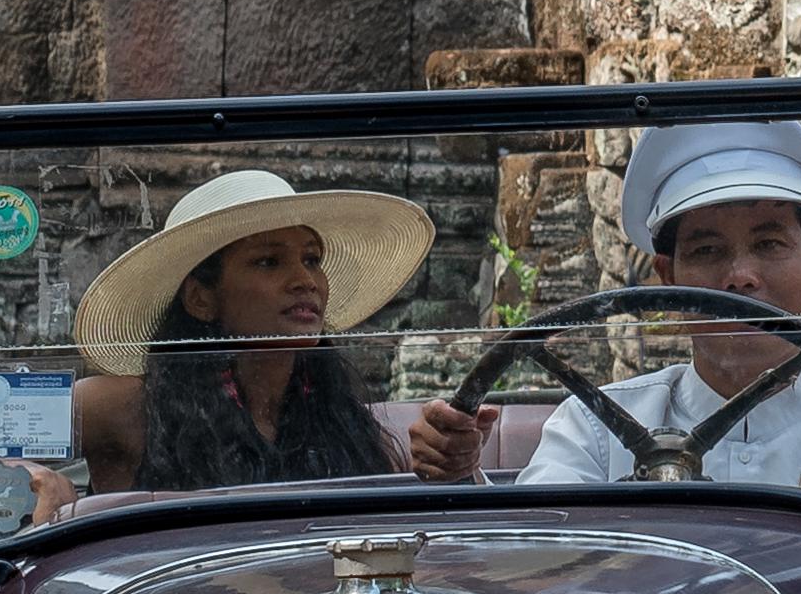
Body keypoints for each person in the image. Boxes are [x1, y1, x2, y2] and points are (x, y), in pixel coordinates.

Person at [513, 116, 801, 501]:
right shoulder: (590, 429)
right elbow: (533, 551)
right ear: (668, 280)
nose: (739, 276)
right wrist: (458, 474)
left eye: (768, 245)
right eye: (707, 250)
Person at [70, 168, 496, 493]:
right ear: (201, 298)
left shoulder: (345, 426)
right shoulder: (126, 408)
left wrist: (455, 462)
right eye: (269, 262)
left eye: (311, 259)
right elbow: (6, 428)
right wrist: (36, 478)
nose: (305, 280)